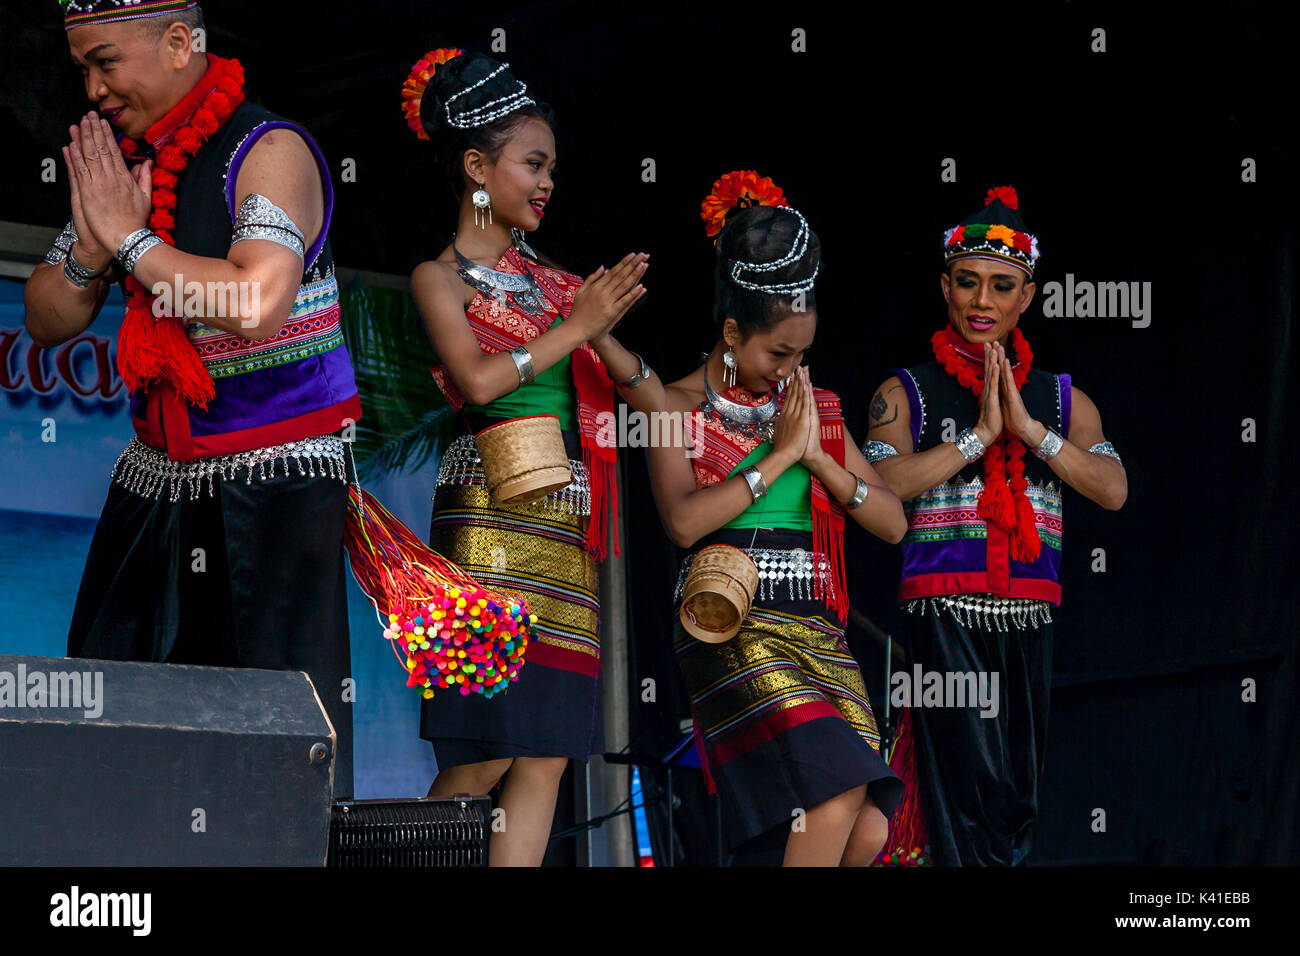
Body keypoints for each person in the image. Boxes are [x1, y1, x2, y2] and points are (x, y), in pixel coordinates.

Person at [25, 1, 361, 795]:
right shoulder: (129, 168)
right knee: (110, 724)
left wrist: (133, 242)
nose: (93, 88)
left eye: (104, 61)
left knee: (269, 750)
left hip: (275, 489)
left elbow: (255, 302)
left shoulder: (267, 150)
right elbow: (48, 317)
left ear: (179, 43)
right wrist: (92, 240)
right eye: (82, 68)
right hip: (154, 485)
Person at [404, 49, 653, 866]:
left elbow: (655, 406)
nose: (547, 183)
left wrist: (613, 338)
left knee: (544, 752)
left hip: (566, 538)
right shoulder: (438, 277)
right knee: (483, 754)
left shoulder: (558, 288)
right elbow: (475, 383)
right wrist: (581, 326)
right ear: (477, 167)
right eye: (532, 164)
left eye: (551, 168)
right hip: (484, 535)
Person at [645, 171, 907, 865]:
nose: (789, 370)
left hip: (818, 629)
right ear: (732, 331)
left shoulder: (814, 411)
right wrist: (777, 454)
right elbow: (681, 522)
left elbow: (891, 523)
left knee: (868, 827)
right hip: (731, 624)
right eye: (777, 353)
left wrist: (818, 459)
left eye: (803, 355)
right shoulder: (674, 409)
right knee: (833, 796)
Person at [864, 185, 1128, 865]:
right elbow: (879, 490)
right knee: (964, 796)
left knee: (1017, 799)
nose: (983, 301)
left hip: (1029, 619)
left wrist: (1031, 433)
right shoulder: (908, 390)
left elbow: (1113, 489)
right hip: (944, 616)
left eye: (1001, 286)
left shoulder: (1063, 399)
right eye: (968, 283)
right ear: (945, 287)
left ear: (1026, 297)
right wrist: (979, 438)